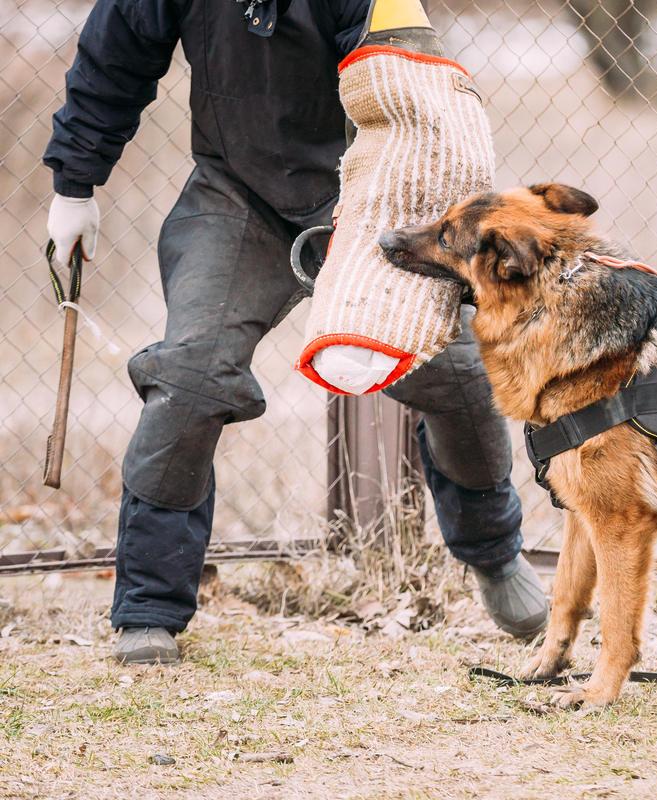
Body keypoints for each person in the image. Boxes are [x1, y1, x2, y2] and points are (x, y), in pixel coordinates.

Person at [42, 0, 548, 664]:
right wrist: (74, 184)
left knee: (452, 369)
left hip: (369, 194)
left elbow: (421, 94)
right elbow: (114, 59)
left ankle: (493, 551)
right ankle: (148, 606)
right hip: (235, 193)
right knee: (191, 373)